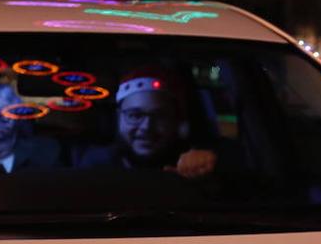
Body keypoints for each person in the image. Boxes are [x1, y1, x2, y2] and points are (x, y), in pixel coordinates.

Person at [75, 69, 216, 178]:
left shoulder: (196, 162)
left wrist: (206, 166)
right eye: (135, 115)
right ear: (118, 117)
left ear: (177, 120)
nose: (146, 127)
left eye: (160, 116)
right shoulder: (95, 166)